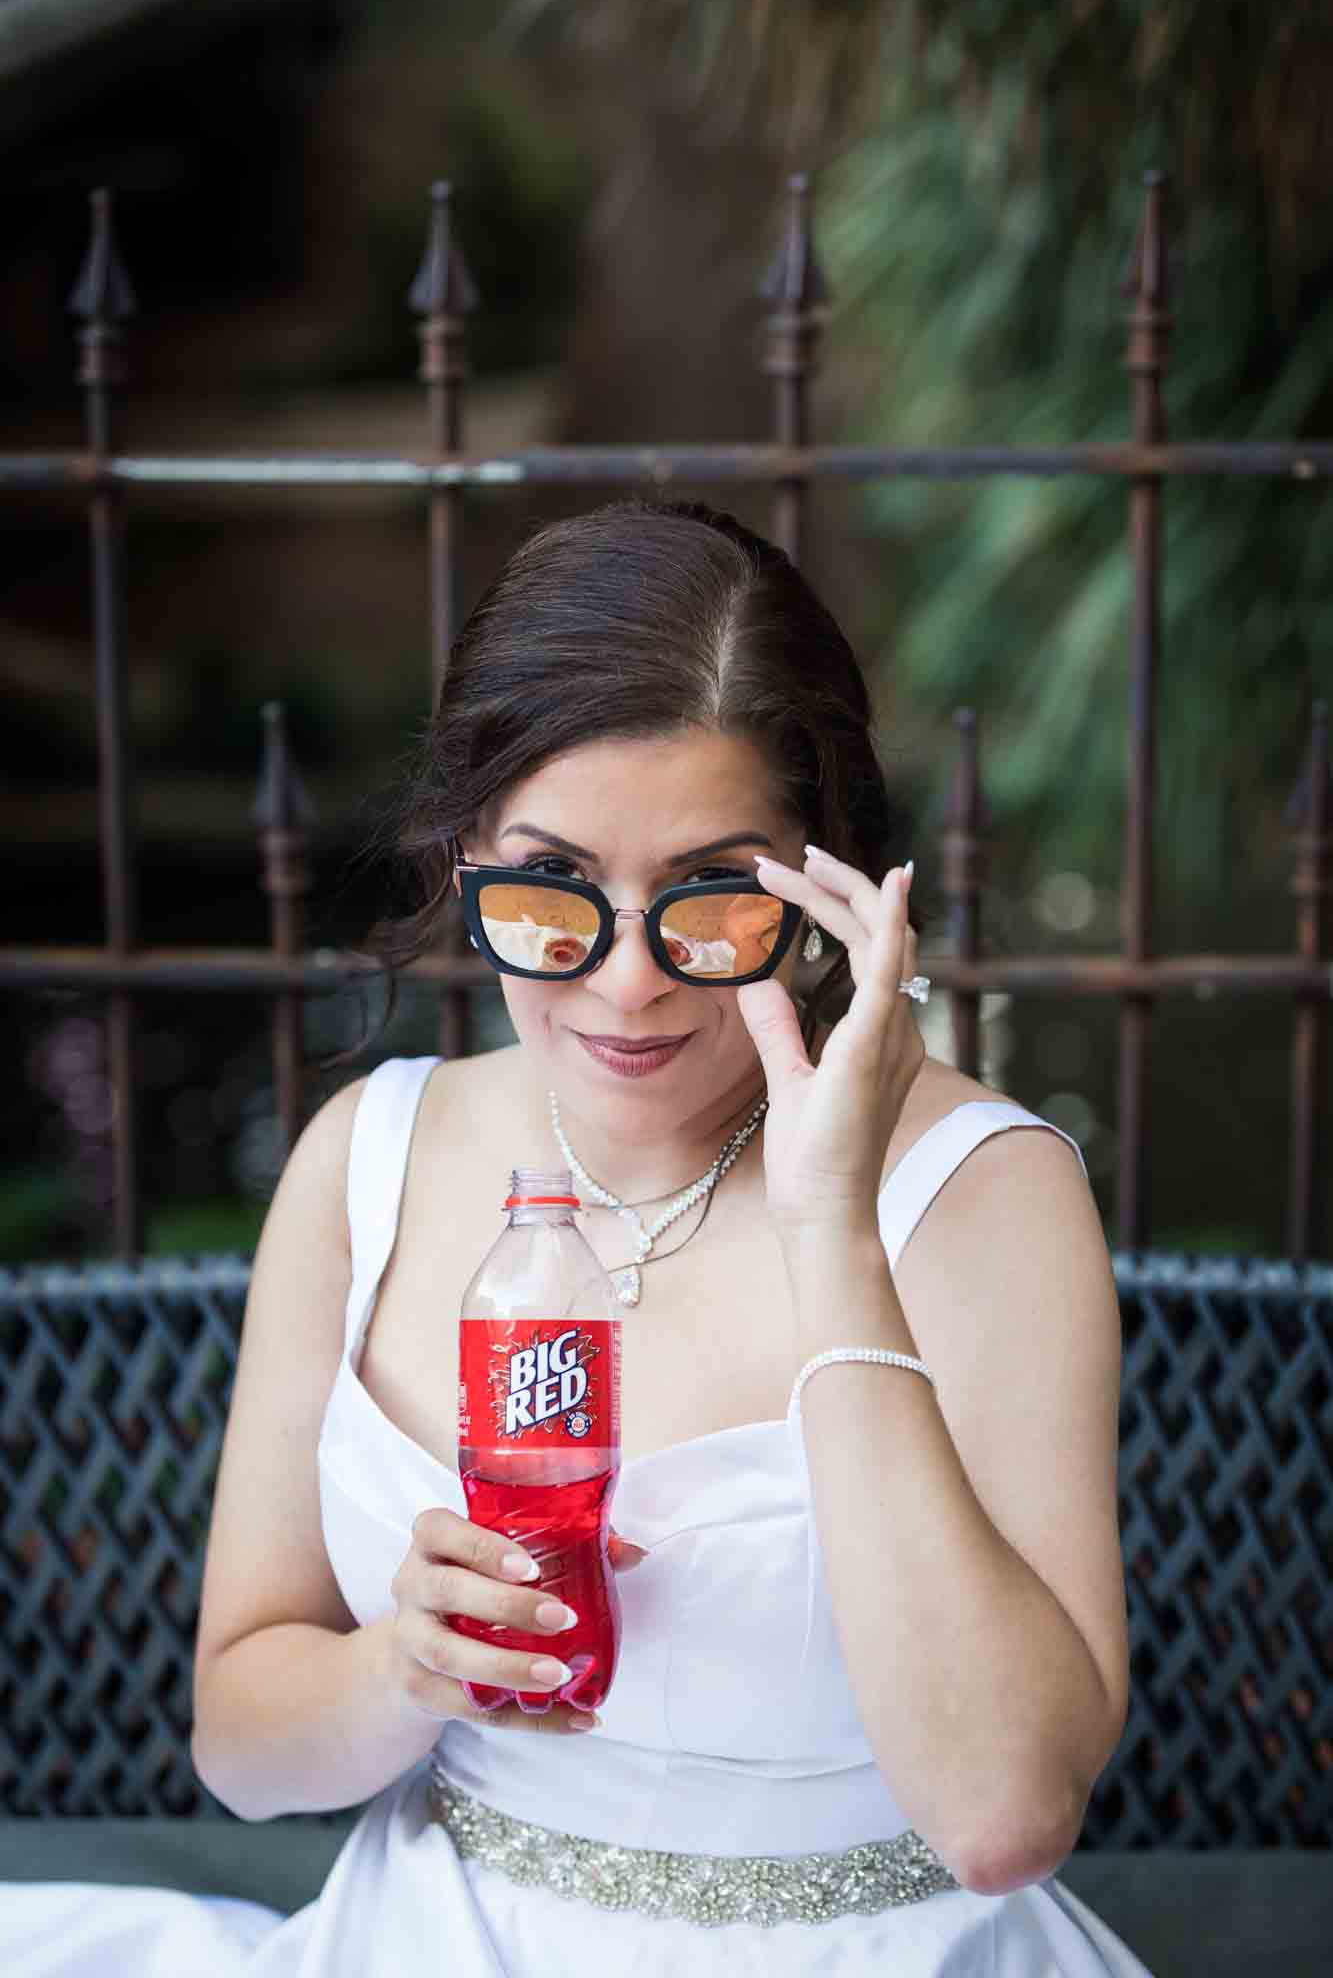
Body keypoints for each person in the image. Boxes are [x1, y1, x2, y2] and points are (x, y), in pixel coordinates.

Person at [0, 499, 1154, 1975]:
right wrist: (399, 1670)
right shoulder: (370, 1155)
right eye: (549, 896)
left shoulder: (981, 1194)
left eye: (710, 902)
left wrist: (829, 1232)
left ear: (823, 887)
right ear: (465, 854)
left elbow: (1003, 1816)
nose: (621, 986)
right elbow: (243, 1745)